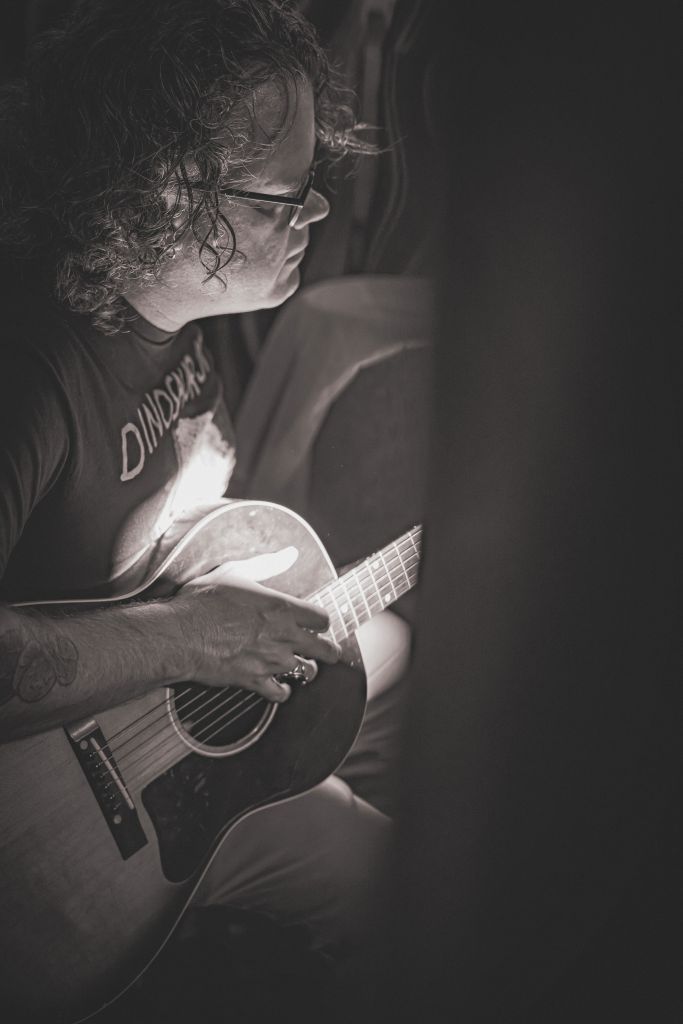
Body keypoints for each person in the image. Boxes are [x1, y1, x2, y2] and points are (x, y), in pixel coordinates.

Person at [0, 0, 405, 995]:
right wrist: (186, 638)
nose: (316, 212)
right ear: (157, 200)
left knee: (389, 645)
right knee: (396, 888)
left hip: (154, 723)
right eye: (282, 196)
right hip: (59, 822)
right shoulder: (30, 375)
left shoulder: (176, 304)